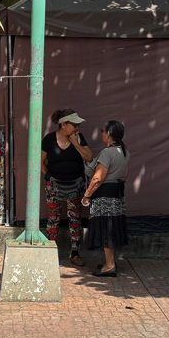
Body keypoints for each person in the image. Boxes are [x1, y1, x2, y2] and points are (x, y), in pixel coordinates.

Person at [42, 109, 94, 265]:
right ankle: (50, 254)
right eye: (74, 124)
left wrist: (75, 143)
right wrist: (48, 176)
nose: (77, 128)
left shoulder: (79, 138)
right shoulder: (49, 139)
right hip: (54, 184)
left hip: (75, 183)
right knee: (53, 218)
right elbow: (40, 161)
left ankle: (75, 253)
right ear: (63, 124)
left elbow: (89, 157)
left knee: (75, 218)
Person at [81, 120, 129, 277]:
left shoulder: (107, 153)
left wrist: (87, 195)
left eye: (103, 130)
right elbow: (124, 175)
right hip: (116, 193)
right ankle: (111, 262)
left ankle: (109, 266)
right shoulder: (124, 152)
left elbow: (97, 178)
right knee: (112, 227)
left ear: (109, 133)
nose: (101, 133)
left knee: (106, 229)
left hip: (105, 194)